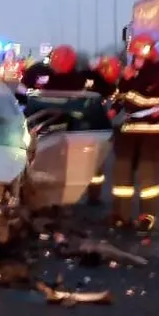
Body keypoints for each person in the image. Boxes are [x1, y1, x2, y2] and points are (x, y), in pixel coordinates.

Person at [109, 34, 159, 233]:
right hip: (128, 132)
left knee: (148, 179)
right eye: (133, 57)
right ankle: (120, 216)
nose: (134, 60)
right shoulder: (130, 77)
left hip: (151, 133)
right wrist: (114, 107)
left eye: (137, 57)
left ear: (147, 56)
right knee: (122, 176)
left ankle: (147, 216)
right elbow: (121, 98)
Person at [39, 46, 113, 204]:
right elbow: (107, 89)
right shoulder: (85, 78)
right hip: (82, 127)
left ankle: (54, 196)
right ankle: (93, 196)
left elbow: (37, 101)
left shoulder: (49, 80)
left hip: (60, 128)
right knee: (92, 162)